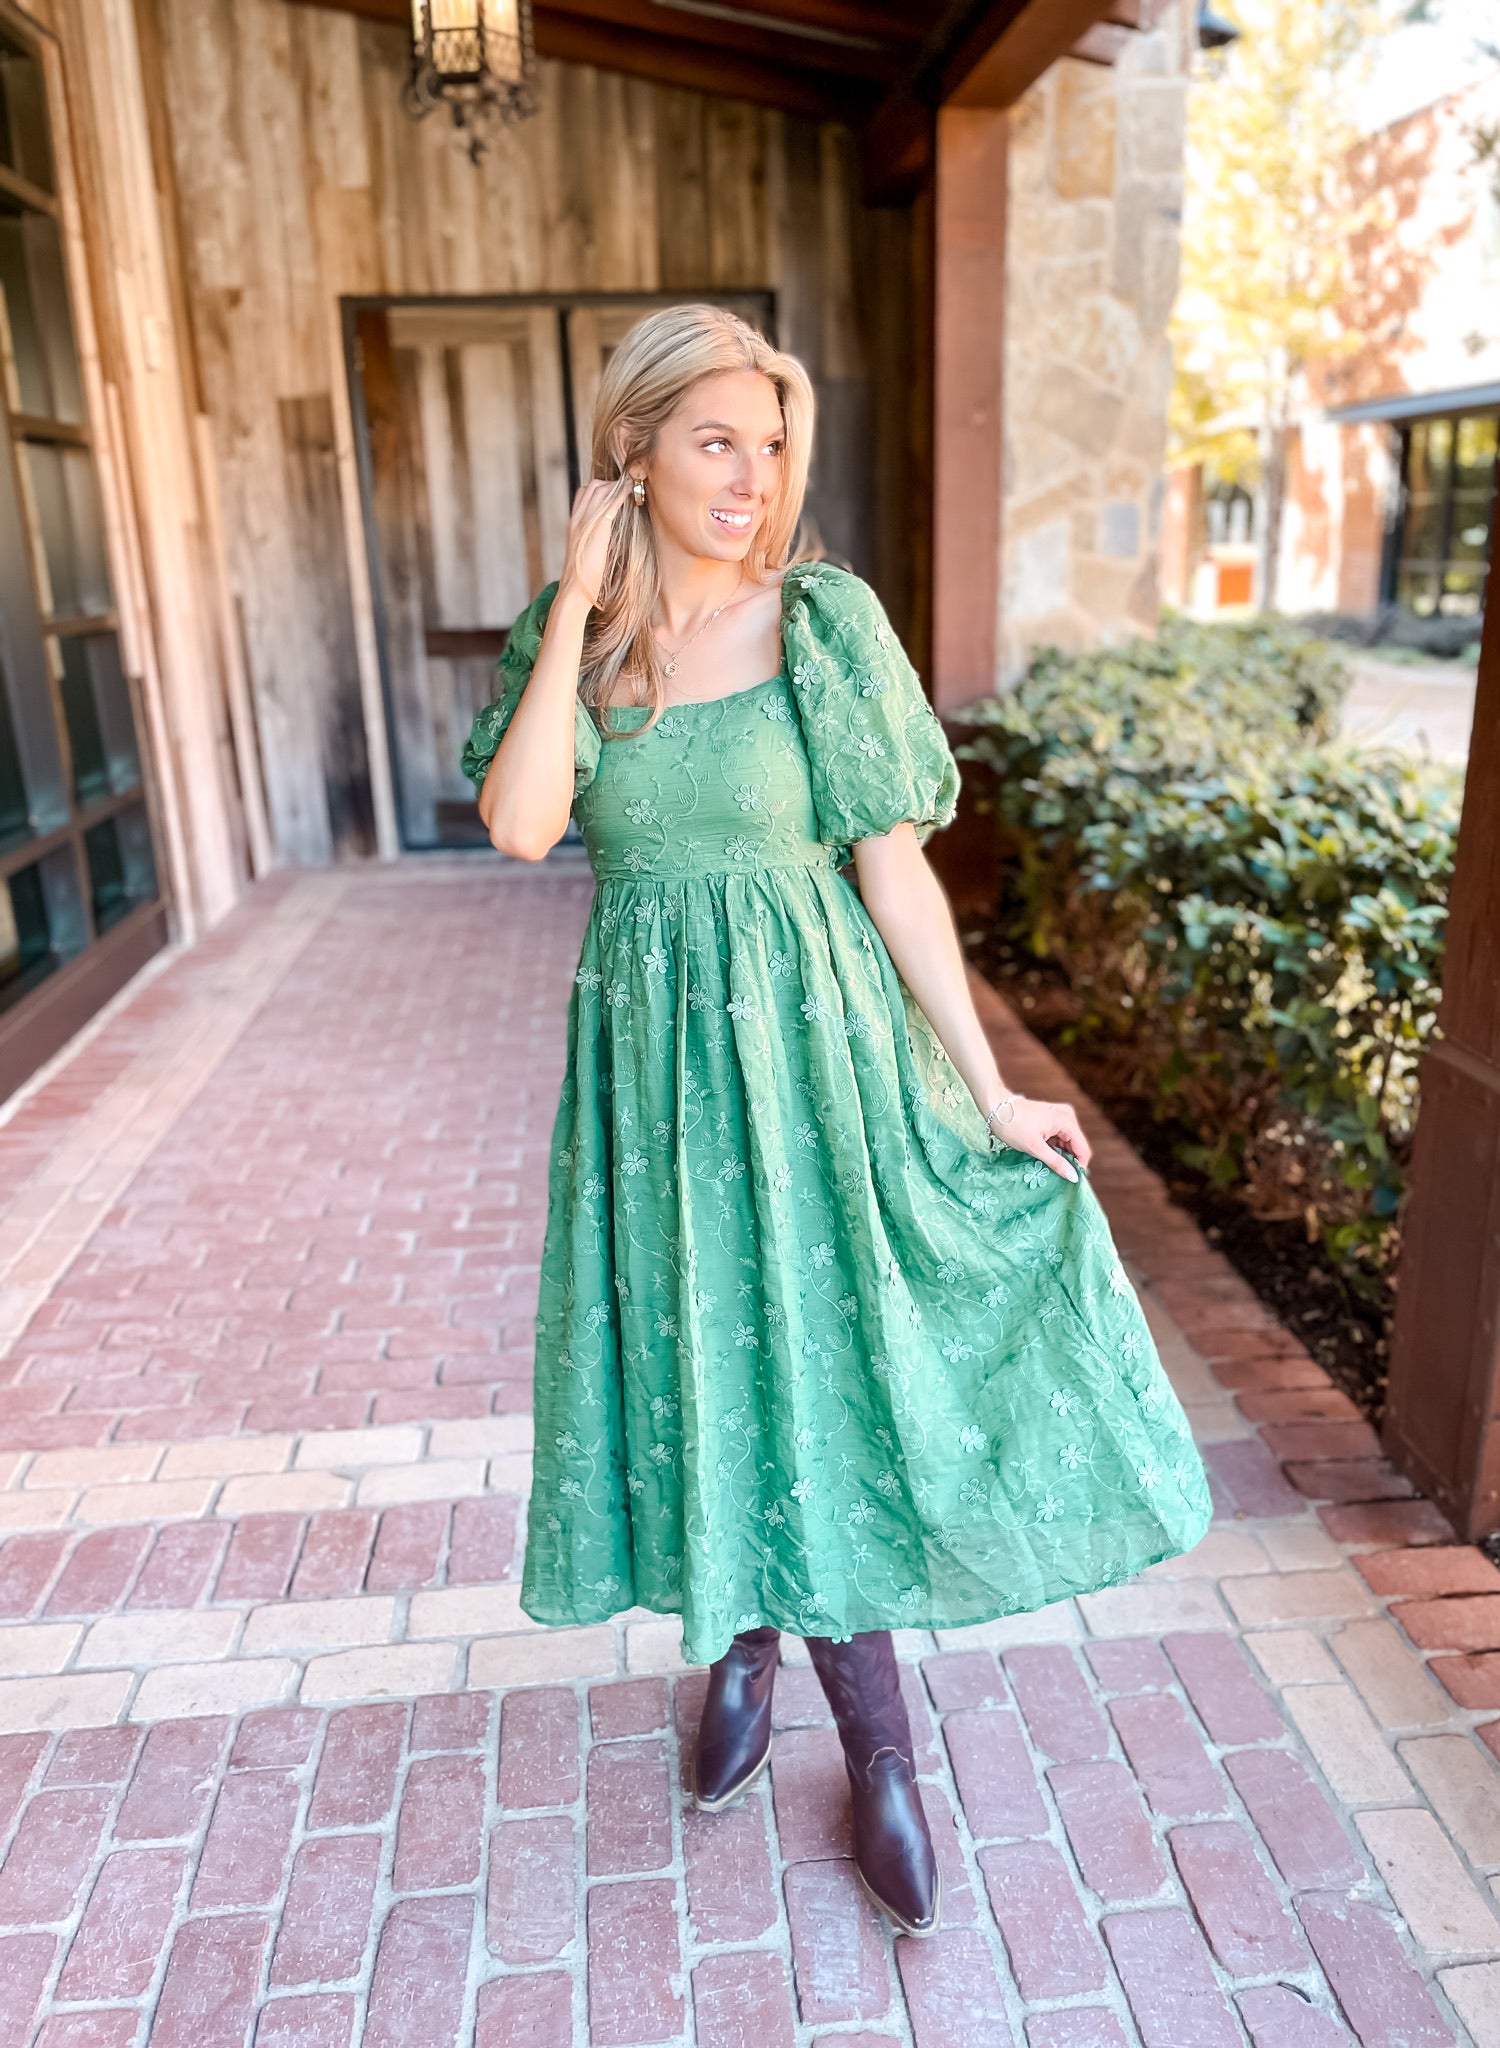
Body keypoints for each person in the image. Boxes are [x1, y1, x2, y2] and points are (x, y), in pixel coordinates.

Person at [463, 303, 1211, 1940]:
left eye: (774, 444)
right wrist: (582, 595)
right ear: (634, 453)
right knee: (696, 1360)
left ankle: (876, 1746)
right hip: (657, 1093)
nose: (750, 478)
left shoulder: (825, 620)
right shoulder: (577, 634)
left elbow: (892, 868)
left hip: (820, 1066)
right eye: (715, 440)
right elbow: (523, 827)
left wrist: (993, 1083)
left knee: (817, 1371)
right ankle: (741, 1641)